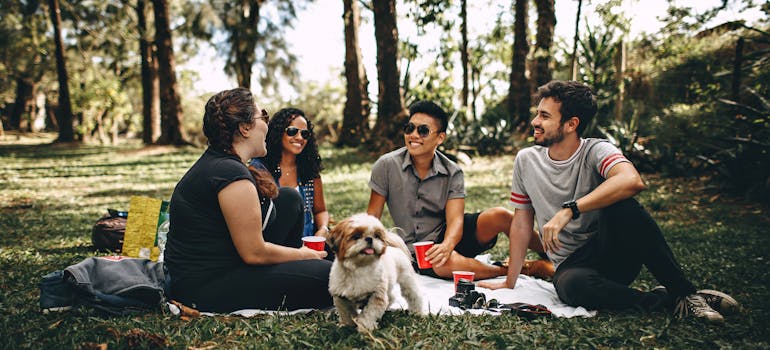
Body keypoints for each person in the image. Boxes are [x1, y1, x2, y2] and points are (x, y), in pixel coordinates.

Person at [480, 80, 739, 324]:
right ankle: (667, 300)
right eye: (538, 113)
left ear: (571, 124)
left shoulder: (596, 150)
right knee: (572, 287)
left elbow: (631, 180)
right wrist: (509, 281)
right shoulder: (526, 160)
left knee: (624, 205)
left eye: (545, 116)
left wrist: (570, 210)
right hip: (572, 267)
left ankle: (686, 293)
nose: (535, 121)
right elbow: (522, 224)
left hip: (612, 253)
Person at [164, 88, 332, 313]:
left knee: (289, 199)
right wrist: (303, 254)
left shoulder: (223, 163)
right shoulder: (230, 174)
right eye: (262, 116)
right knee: (333, 278)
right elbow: (254, 253)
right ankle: (302, 268)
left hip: (227, 264)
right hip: (206, 286)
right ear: (244, 128)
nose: (267, 124)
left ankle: (298, 268)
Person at [366, 100, 548, 280]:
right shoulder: (386, 165)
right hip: (417, 251)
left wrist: (447, 245)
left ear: (440, 138)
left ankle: (553, 251)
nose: (414, 135)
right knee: (442, 263)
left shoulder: (452, 171)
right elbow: (372, 217)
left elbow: (455, 221)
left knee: (499, 215)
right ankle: (517, 270)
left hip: (450, 236)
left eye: (423, 130)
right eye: (409, 128)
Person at [250, 108, 329, 238]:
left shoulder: (309, 170)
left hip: (308, 245)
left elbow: (320, 210)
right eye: (292, 131)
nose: (299, 138)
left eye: (305, 134)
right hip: (273, 247)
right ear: (278, 133)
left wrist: (323, 229)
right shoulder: (259, 169)